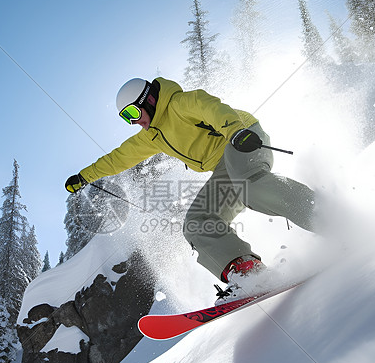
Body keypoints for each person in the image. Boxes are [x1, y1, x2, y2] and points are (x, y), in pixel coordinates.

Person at [65, 77, 315, 293]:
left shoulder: (180, 104)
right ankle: (247, 272)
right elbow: (118, 158)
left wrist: (236, 131)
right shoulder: (152, 137)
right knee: (197, 222)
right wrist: (85, 176)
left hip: (241, 140)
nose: (133, 122)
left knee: (250, 186)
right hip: (223, 168)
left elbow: (212, 109)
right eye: (125, 118)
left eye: (132, 113)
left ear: (148, 100)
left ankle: (320, 213)